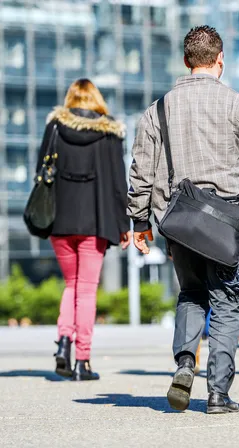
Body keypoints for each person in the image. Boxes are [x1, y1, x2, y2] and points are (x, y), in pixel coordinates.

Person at [128, 26, 239, 413]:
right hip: (228, 223)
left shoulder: (158, 109)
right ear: (220, 60)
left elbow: (141, 171)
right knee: (227, 301)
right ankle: (218, 393)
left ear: (186, 61)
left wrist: (139, 222)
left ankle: (185, 363)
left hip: (179, 221)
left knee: (191, 294)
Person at [41, 79, 130, 381]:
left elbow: (41, 169)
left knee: (71, 285)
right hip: (96, 221)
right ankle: (83, 361)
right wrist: (125, 224)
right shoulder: (109, 133)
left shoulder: (54, 127)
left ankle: (63, 344)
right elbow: (119, 184)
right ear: (97, 100)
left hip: (60, 220)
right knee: (87, 290)